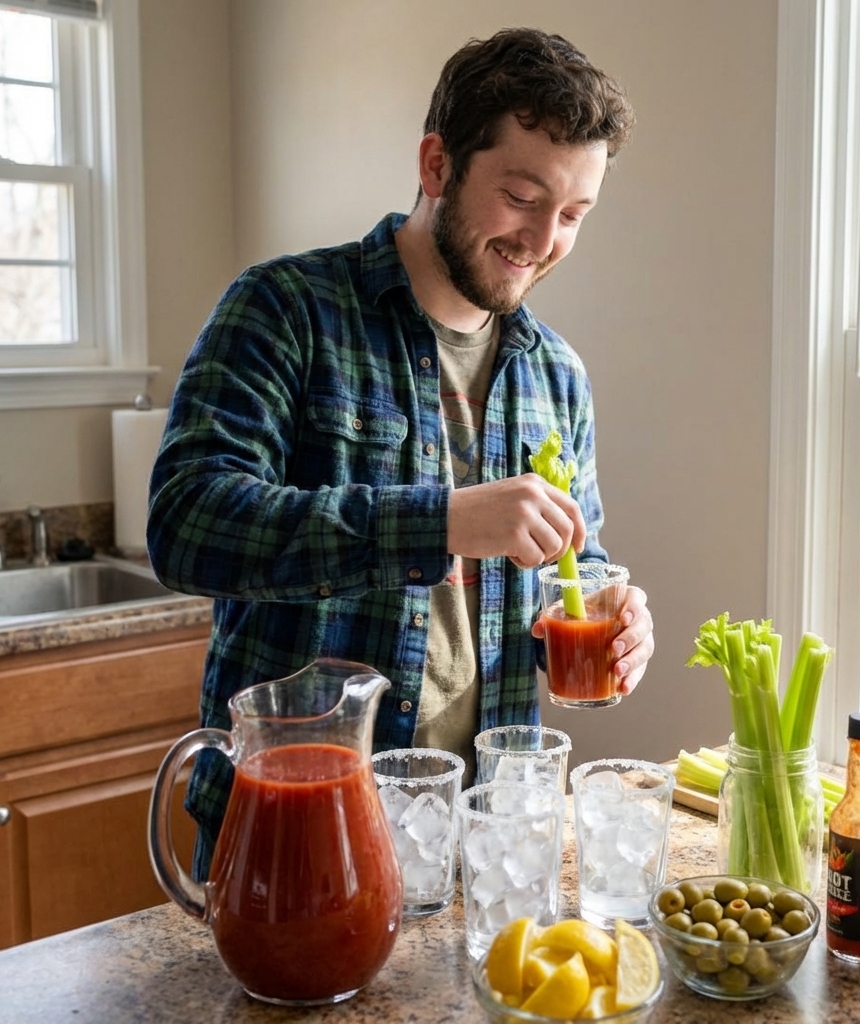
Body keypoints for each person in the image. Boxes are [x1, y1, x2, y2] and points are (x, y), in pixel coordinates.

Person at [147, 26, 655, 881]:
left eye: (572, 215)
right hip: (293, 832)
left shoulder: (557, 374)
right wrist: (443, 521)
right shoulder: (285, 309)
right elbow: (188, 522)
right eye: (523, 197)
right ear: (437, 166)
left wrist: (608, 614)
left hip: (483, 835)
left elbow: (574, 556)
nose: (543, 240)